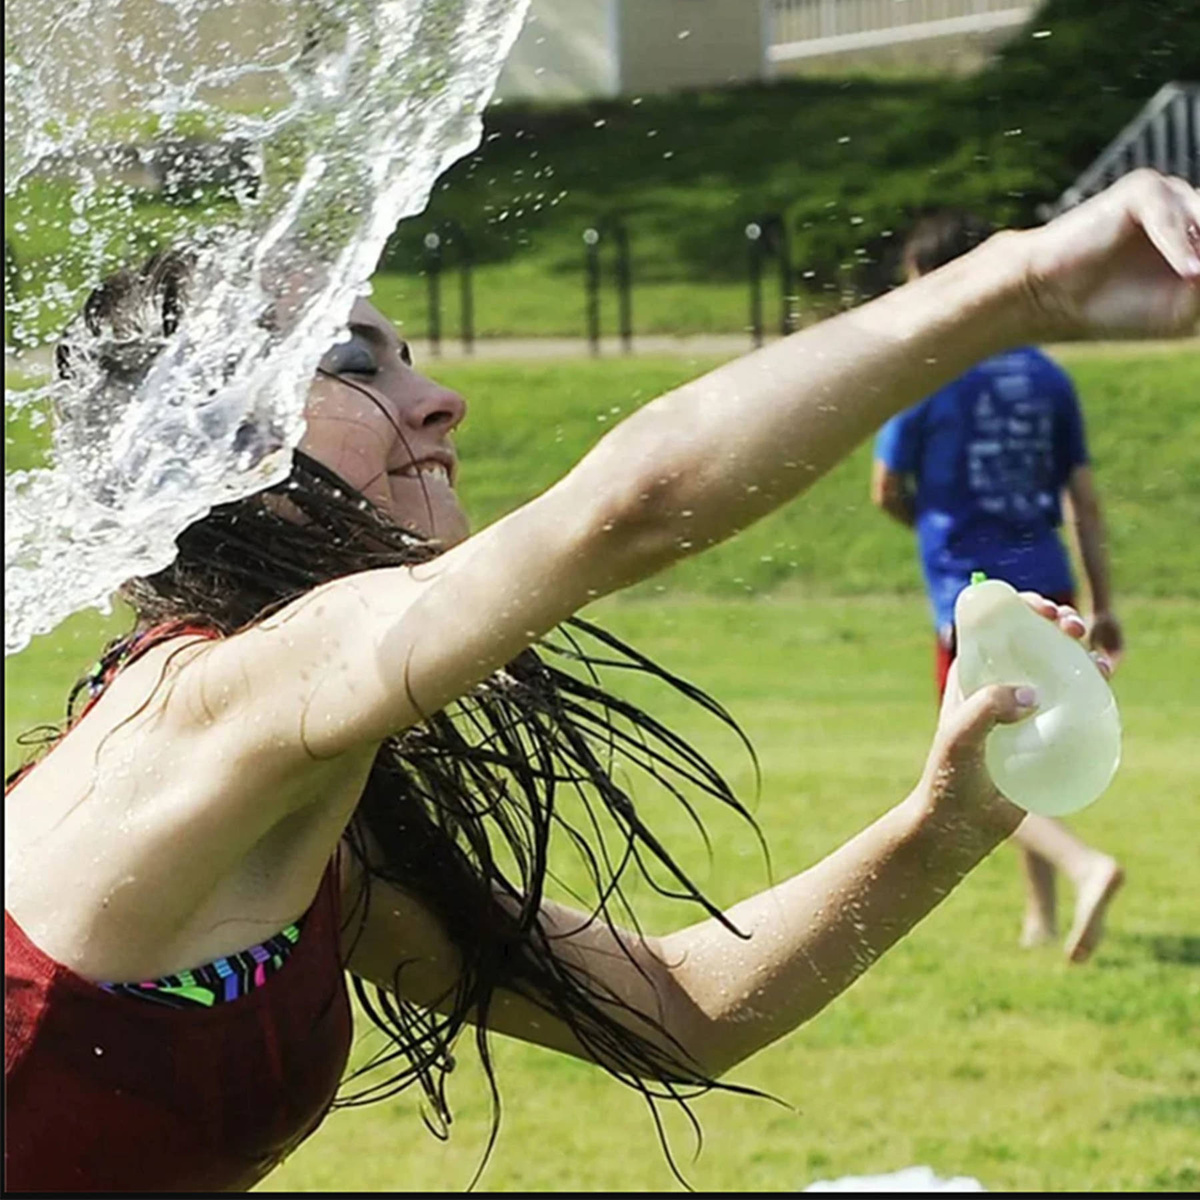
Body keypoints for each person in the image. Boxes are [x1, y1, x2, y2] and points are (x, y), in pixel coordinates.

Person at [5, 170, 1198, 1193]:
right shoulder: (200, 710)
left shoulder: (315, 832)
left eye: (409, 357)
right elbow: (631, 505)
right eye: (353, 359)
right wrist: (1024, 281)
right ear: (202, 440)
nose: (439, 398)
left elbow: (674, 1011)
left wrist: (940, 828)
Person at [870, 209, 1131, 964]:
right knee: (1026, 747)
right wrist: (1103, 602)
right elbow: (1083, 502)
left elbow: (885, 487)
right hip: (1050, 585)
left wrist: (934, 525)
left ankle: (1084, 867)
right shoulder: (1047, 376)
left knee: (982, 762)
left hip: (973, 597)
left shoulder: (927, 376)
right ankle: (1038, 919)